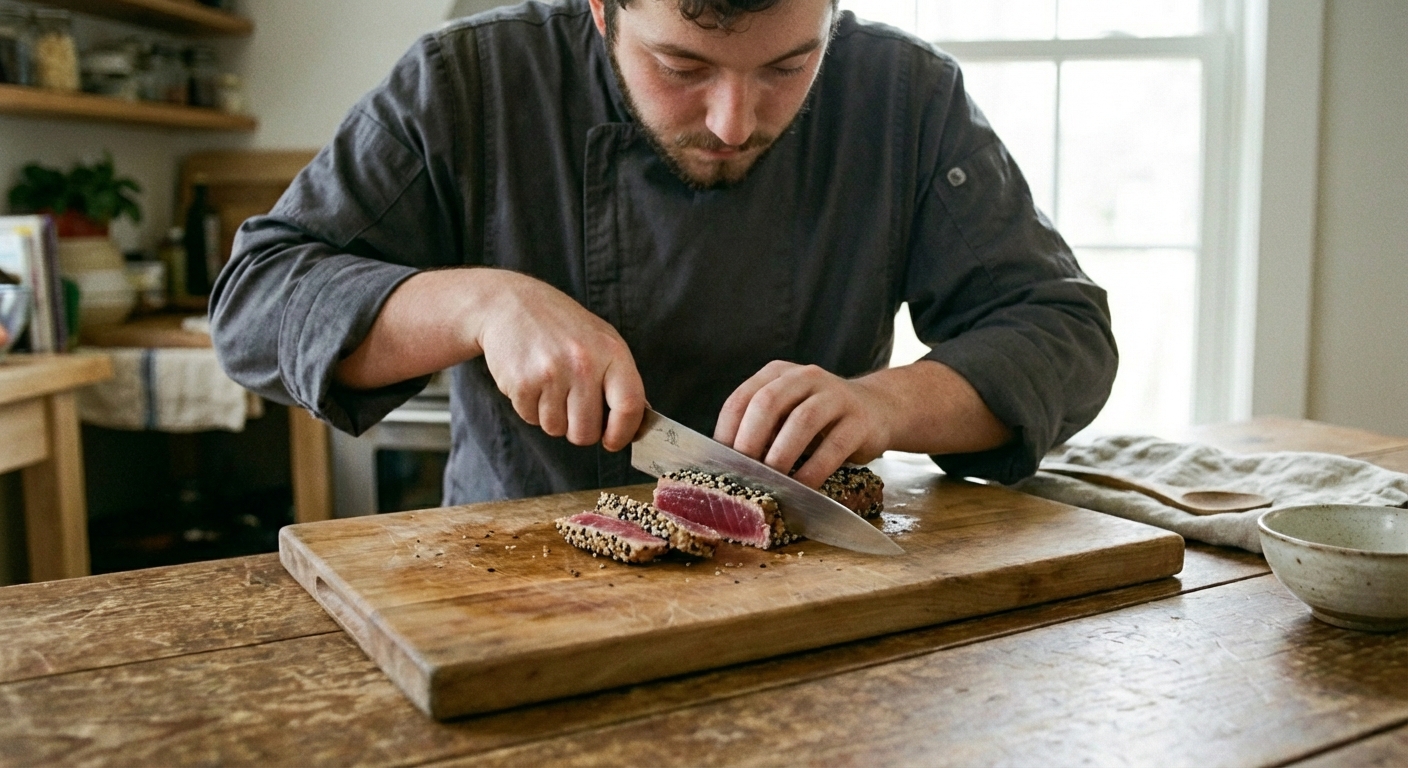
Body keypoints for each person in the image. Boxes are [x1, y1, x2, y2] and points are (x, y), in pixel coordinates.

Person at [210, 0, 1117, 507]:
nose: (735, 121)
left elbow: (1063, 332)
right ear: (601, 10)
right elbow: (255, 302)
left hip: (815, 588)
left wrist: (883, 406)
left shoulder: (905, 97)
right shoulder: (468, 83)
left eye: (787, 67)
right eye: (683, 68)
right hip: (512, 591)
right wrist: (480, 305)